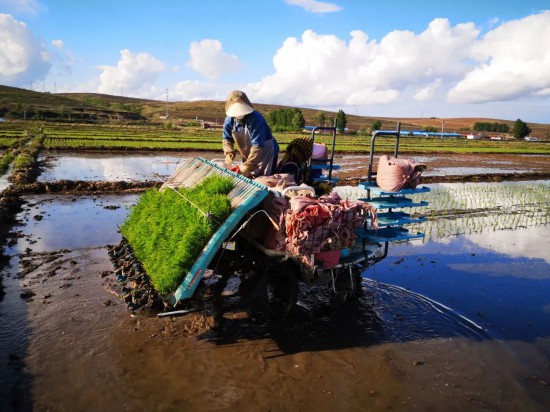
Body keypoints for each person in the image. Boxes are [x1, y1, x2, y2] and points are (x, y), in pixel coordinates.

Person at [222, 90, 279, 178]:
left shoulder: (255, 119)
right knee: (247, 177)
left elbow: (257, 146)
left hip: (265, 153)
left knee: (265, 180)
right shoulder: (229, 120)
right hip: (249, 153)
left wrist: (248, 166)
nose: (239, 115)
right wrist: (229, 152)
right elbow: (227, 138)